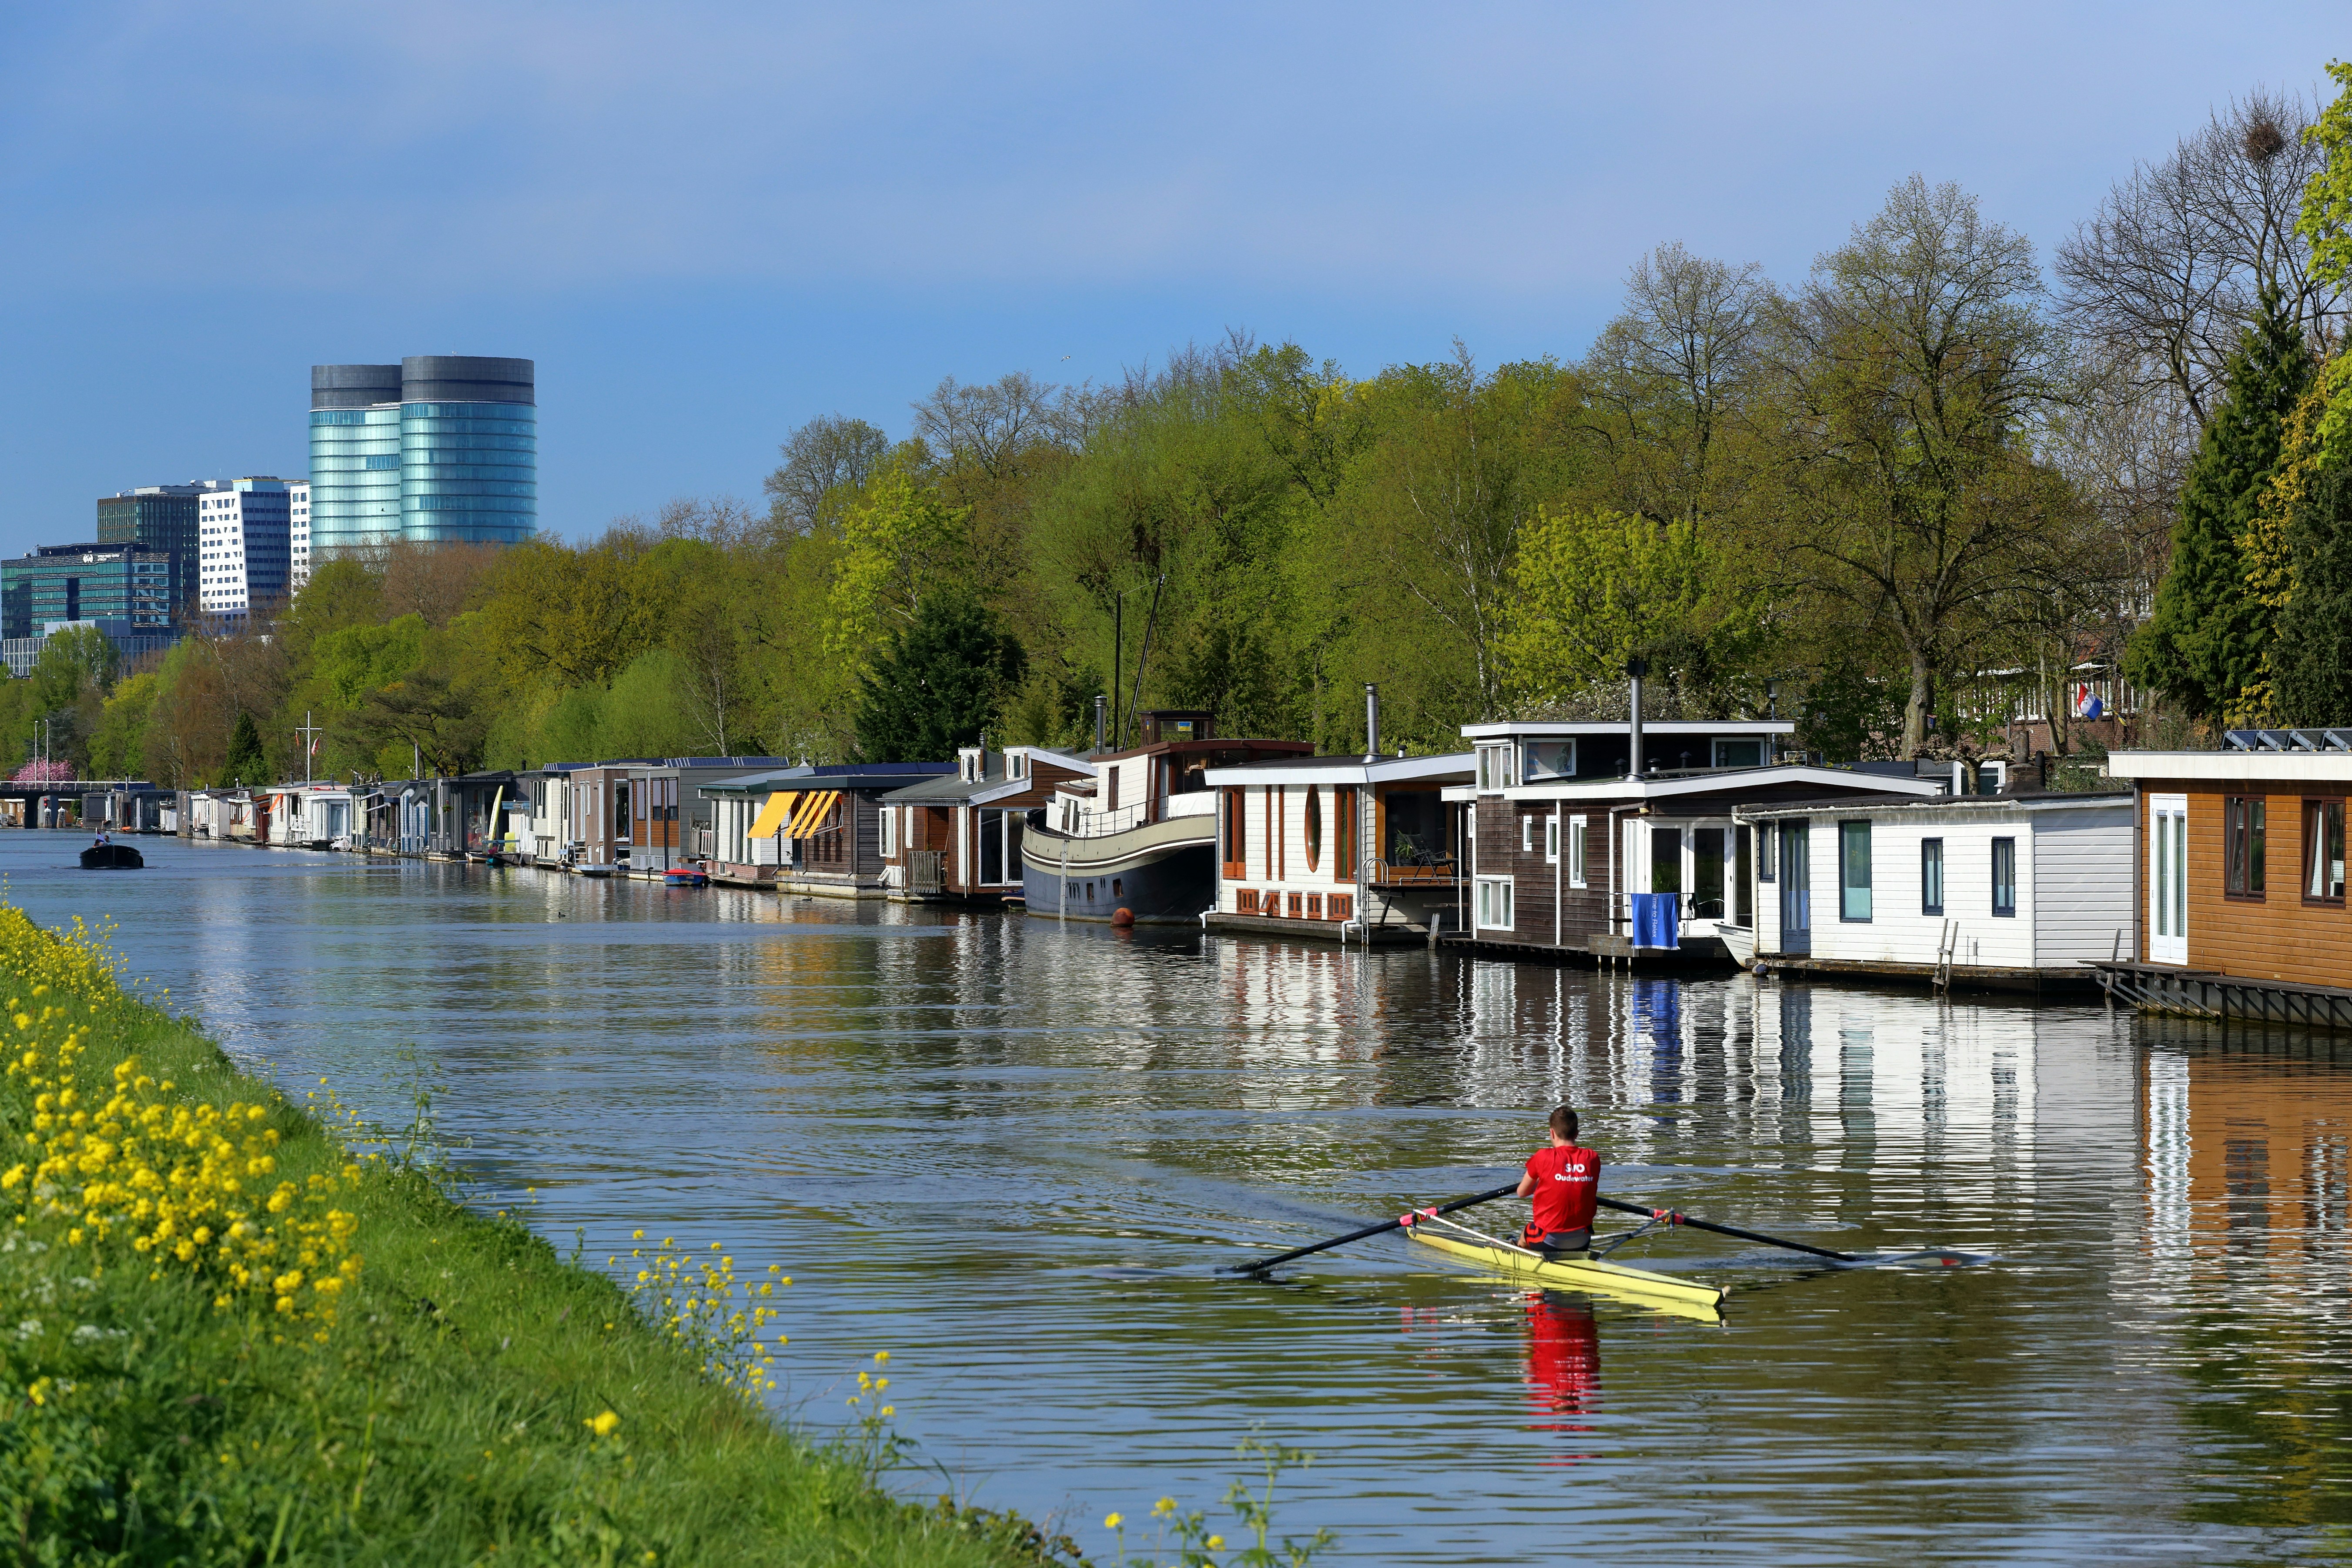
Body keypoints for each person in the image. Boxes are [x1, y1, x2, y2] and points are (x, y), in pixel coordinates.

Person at [1517, 1105, 1599, 1257]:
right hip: (1583, 1240)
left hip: (1548, 1241)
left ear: (1552, 1133)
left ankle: (1519, 1252)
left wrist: (1543, 1183)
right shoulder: (1592, 1158)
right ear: (1577, 1134)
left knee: (1527, 1231)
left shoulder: (1543, 1156)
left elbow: (1522, 1192)